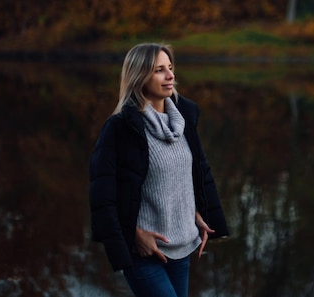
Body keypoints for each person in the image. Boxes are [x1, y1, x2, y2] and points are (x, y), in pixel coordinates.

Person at [89, 43, 229, 297]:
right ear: (139, 77)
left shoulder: (184, 120)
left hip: (182, 246)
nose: (170, 76)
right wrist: (132, 234)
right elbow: (102, 195)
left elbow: (194, 174)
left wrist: (195, 212)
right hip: (144, 251)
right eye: (159, 70)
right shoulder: (120, 128)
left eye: (171, 68)